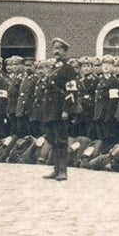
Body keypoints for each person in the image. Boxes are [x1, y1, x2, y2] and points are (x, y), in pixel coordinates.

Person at [40, 38, 80, 180]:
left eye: (59, 48)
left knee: (61, 141)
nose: (56, 51)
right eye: (54, 48)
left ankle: (63, 171)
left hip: (60, 110)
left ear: (65, 51)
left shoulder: (68, 69)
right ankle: (56, 169)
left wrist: (66, 110)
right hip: (50, 109)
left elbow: (72, 91)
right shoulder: (53, 67)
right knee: (52, 139)